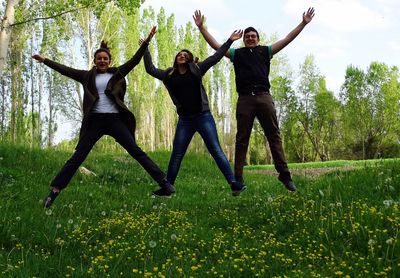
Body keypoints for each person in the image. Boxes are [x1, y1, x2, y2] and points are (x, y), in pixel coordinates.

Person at [33, 27, 175, 208]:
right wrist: (45, 60)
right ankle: (54, 192)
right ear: (94, 61)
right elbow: (65, 70)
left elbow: (134, 60)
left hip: (115, 120)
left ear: (110, 61)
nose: (102, 61)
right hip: (95, 122)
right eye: (99, 58)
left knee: (136, 151)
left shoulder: (117, 73)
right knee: (78, 156)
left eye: (105, 58)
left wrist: (146, 42)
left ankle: (164, 183)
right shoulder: (86, 76)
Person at [193, 8, 315, 192]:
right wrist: (202, 28)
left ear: (258, 38)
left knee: (274, 136)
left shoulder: (266, 51)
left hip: (264, 97)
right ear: (244, 39)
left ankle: (285, 175)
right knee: (242, 139)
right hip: (245, 100)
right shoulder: (237, 54)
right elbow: (217, 46)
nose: (250, 38)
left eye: (253, 36)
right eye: (247, 36)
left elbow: (288, 39)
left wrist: (303, 23)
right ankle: (238, 180)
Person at [142, 30, 246, 197]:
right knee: (177, 153)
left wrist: (229, 41)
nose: (182, 56)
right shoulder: (168, 74)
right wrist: (145, 48)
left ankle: (234, 183)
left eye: (185, 54)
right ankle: (168, 188)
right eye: (179, 54)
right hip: (185, 120)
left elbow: (215, 57)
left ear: (189, 59)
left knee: (215, 149)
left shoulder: (196, 69)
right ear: (176, 58)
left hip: (203, 116)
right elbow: (150, 69)